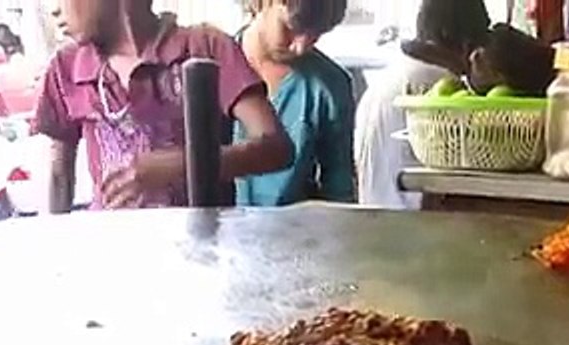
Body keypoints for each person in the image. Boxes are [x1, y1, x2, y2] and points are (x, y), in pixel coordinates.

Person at [36, 0, 292, 213]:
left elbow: (276, 148)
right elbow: (60, 175)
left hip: (202, 249)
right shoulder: (65, 68)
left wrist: (181, 163)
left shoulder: (205, 48)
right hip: (112, 250)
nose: (54, 9)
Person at [354, 0, 491, 210]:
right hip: (418, 228)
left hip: (375, 225)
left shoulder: (385, 80)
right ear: (464, 43)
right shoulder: (439, 85)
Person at [234, 0, 355, 206]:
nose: (300, 47)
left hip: (293, 232)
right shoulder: (211, 69)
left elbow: (339, 191)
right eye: (291, 28)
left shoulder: (328, 86)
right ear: (263, 3)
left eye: (315, 37)